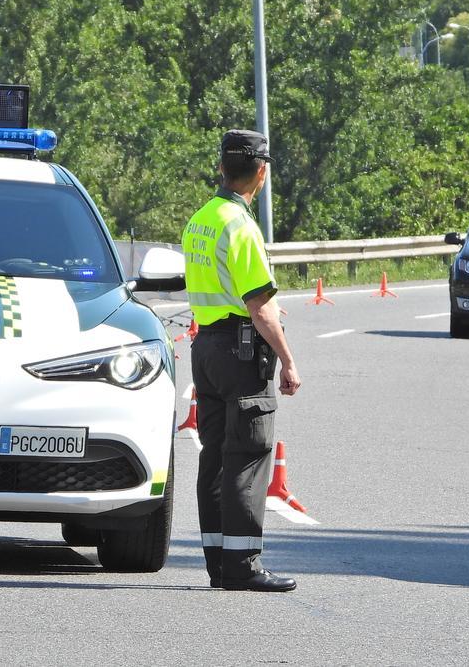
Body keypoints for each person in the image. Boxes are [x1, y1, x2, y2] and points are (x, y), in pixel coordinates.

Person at [181, 129, 302, 592]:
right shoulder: (241, 225)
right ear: (261, 173)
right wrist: (288, 360)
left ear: (221, 168)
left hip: (206, 347)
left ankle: (218, 562)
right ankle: (243, 565)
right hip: (241, 350)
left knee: (214, 456)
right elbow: (259, 306)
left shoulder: (201, 219)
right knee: (248, 456)